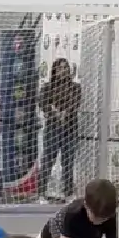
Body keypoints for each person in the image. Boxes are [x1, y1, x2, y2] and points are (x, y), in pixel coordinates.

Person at [37, 58, 83, 201]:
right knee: (48, 160)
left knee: (68, 161)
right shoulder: (47, 87)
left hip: (70, 128)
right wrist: (55, 113)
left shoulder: (75, 87)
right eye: (60, 68)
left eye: (65, 68)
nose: (63, 71)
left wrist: (65, 113)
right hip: (52, 128)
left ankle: (68, 192)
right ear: (55, 70)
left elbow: (75, 103)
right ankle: (41, 192)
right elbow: (43, 104)